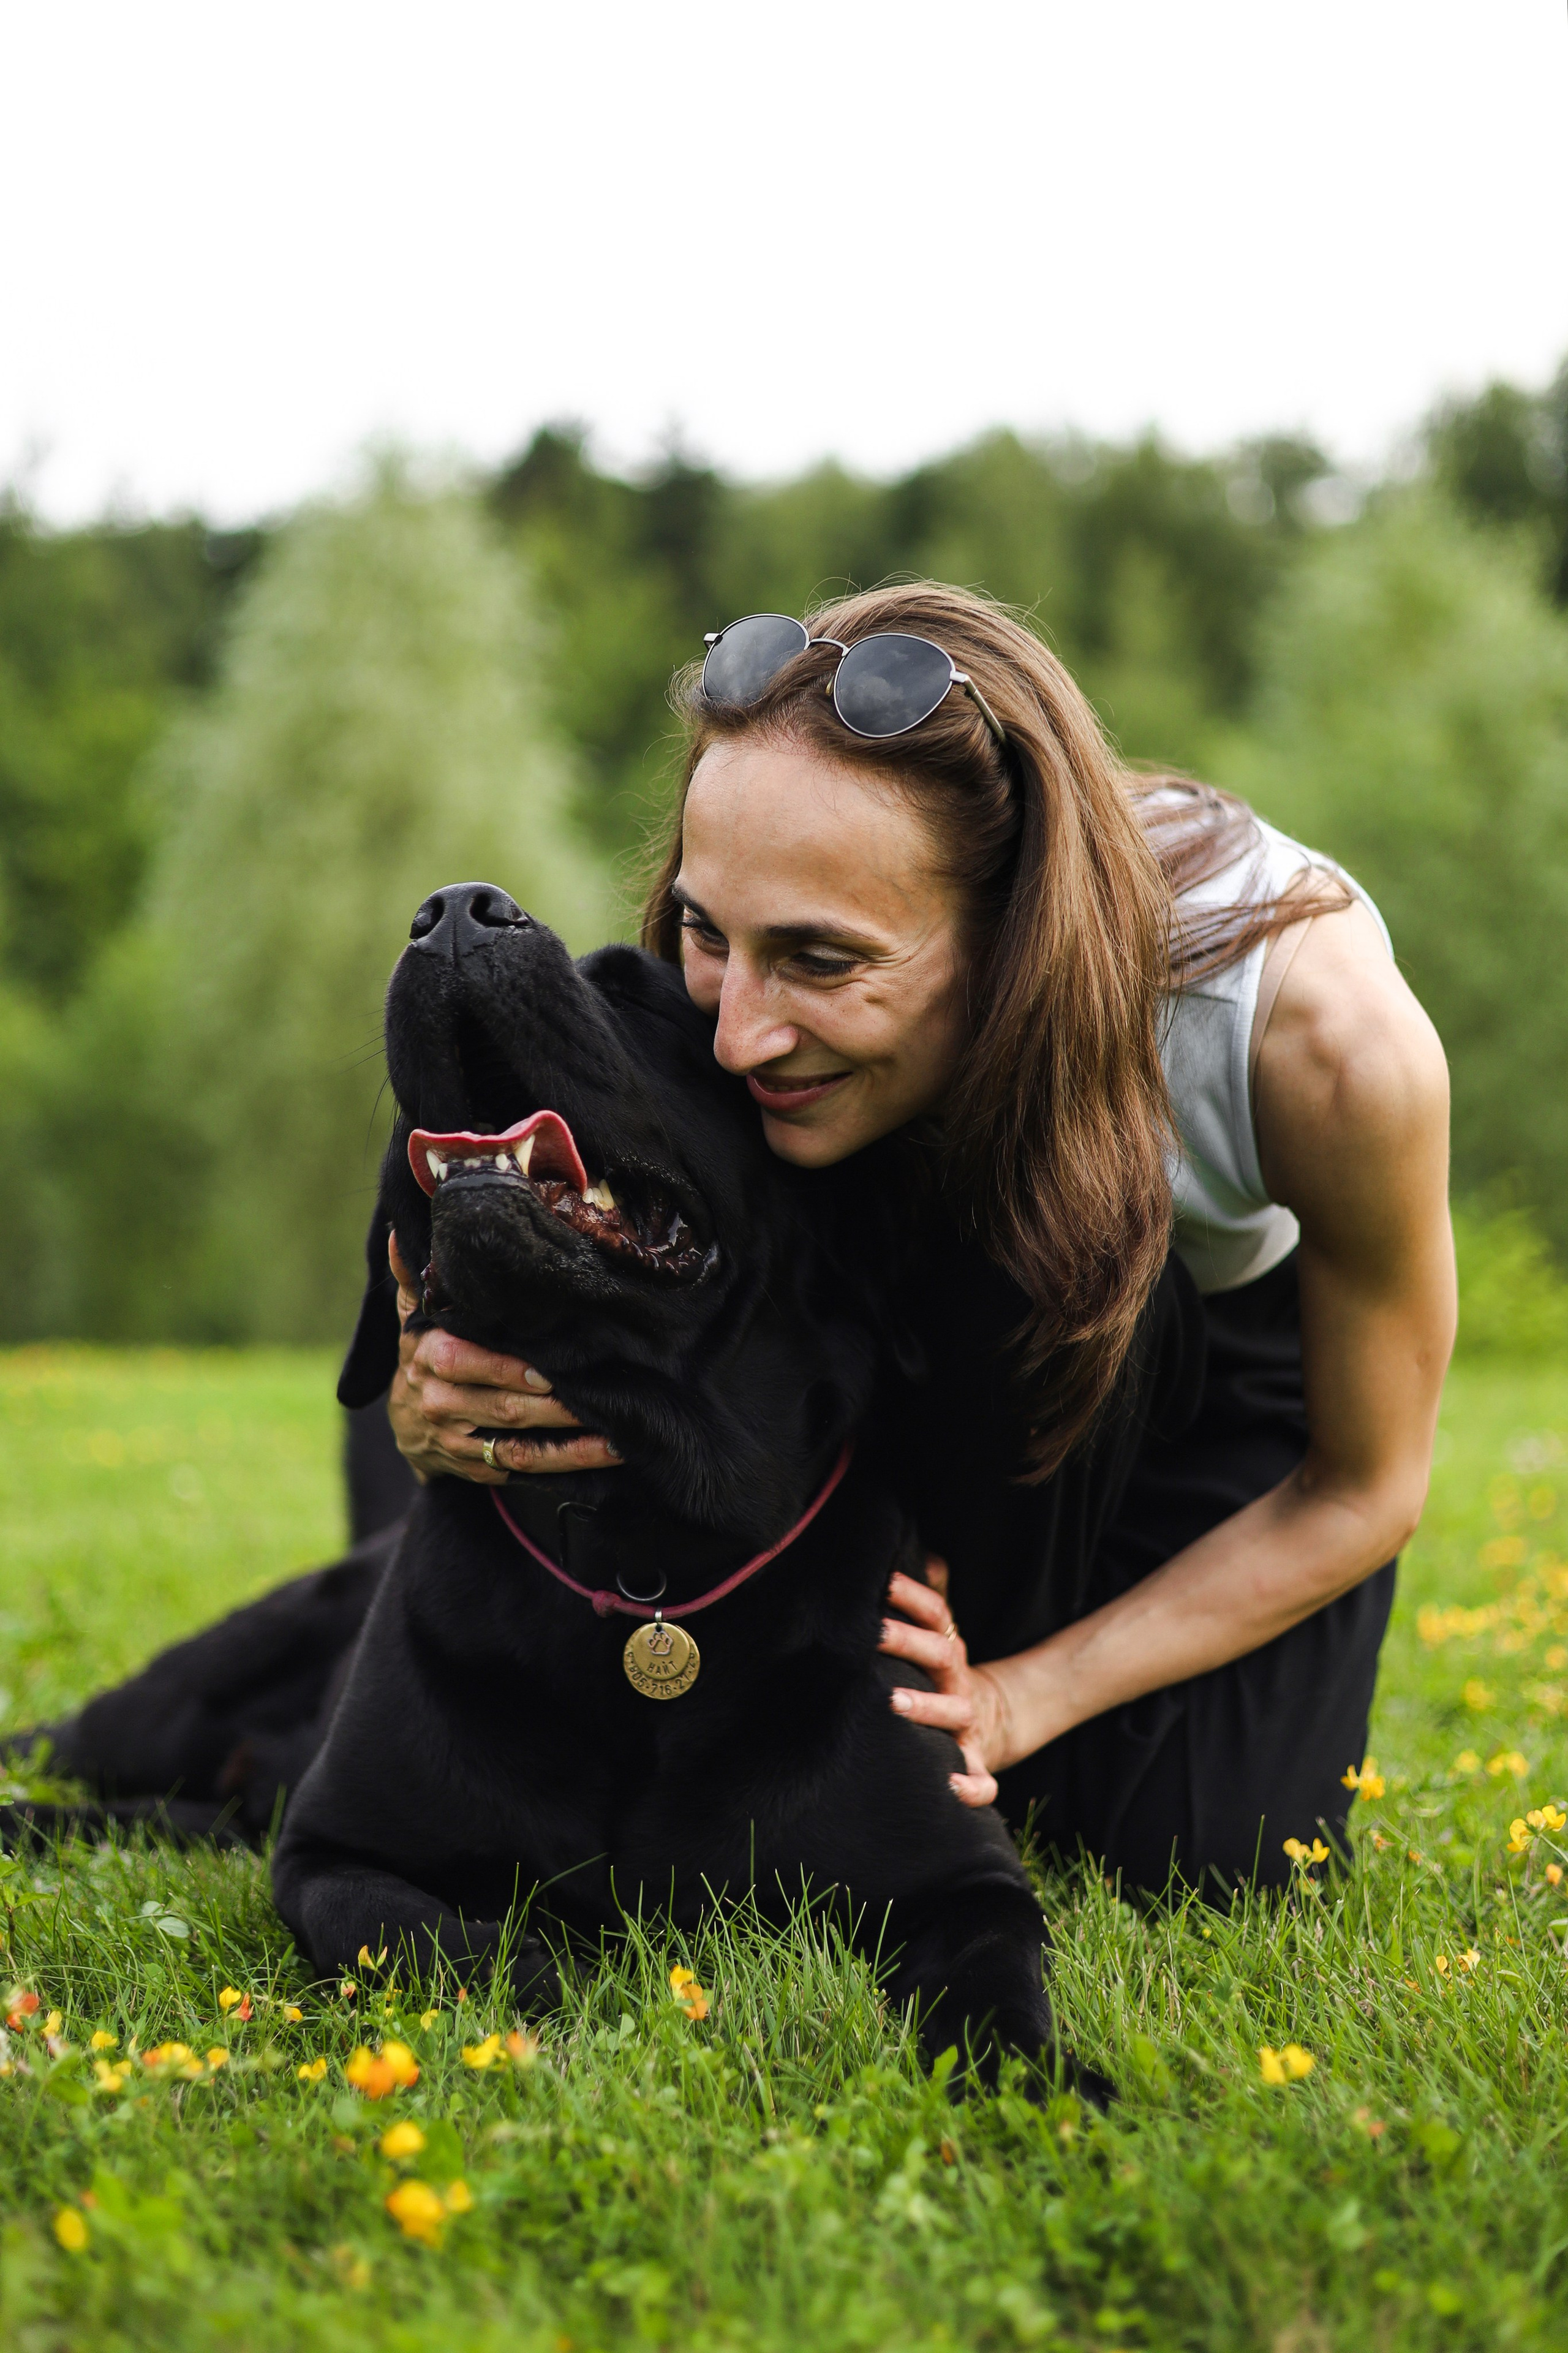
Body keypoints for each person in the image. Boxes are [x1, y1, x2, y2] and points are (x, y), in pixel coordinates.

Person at [383, 583, 1454, 1894]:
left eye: (822, 961)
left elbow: (1365, 1487)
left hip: (1219, 1374)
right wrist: (428, 1390)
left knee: (1200, 1849)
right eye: (708, 931)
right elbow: (550, 1154)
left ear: (1013, 927)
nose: (738, 1036)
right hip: (954, 1328)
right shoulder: (769, 966)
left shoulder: (1325, 1045)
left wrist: (1019, 1693)